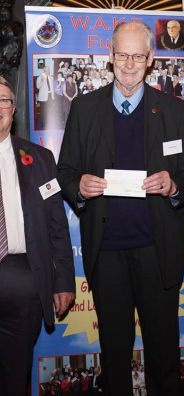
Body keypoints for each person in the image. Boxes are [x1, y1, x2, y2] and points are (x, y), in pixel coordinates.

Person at [57, 21, 184, 396]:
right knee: (115, 356)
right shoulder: (85, 108)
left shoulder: (173, 110)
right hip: (106, 253)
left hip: (157, 251)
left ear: (151, 59)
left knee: (163, 356)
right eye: (122, 54)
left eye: (138, 55)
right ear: (110, 56)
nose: (128, 63)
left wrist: (173, 185)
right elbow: (66, 171)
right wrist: (79, 186)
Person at [0, 76, 75, 396]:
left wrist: (63, 282)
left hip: (22, 280)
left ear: (13, 110)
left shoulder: (40, 160)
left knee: (15, 377)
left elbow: (57, 225)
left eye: (4, 100)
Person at [36, 65, 55, 129]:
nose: (48, 71)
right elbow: (38, 86)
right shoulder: (40, 78)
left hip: (50, 96)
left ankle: (49, 124)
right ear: (43, 71)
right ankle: (43, 124)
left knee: (50, 111)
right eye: (46, 70)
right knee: (43, 111)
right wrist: (42, 79)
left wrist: (53, 96)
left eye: (48, 70)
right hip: (43, 97)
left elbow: (52, 88)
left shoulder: (51, 78)